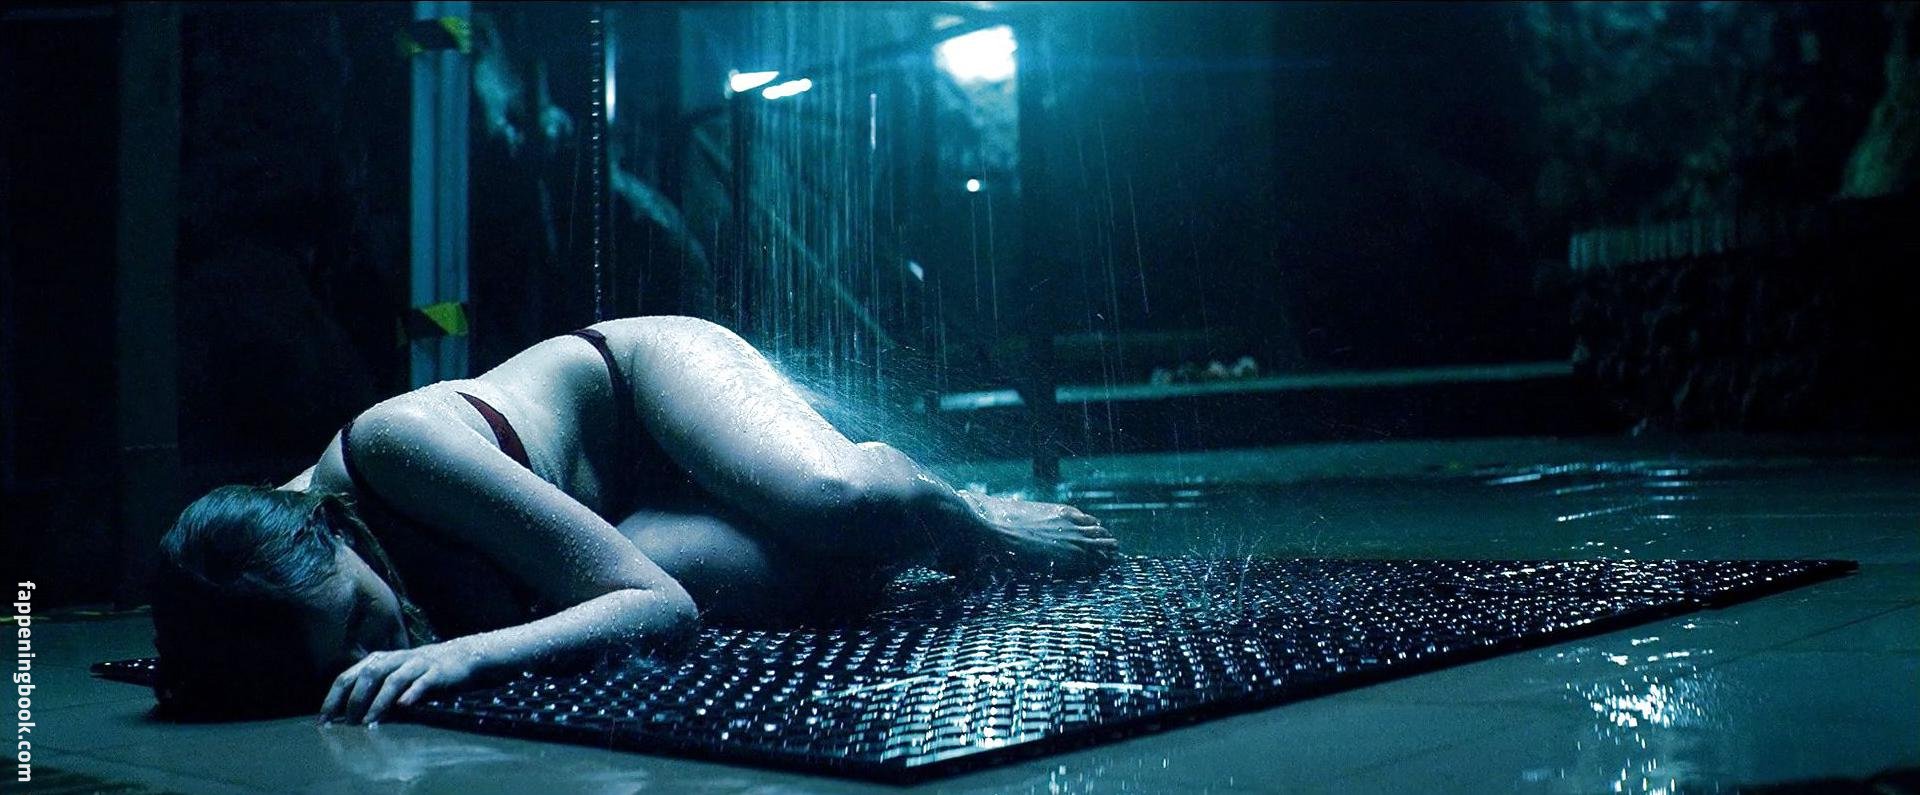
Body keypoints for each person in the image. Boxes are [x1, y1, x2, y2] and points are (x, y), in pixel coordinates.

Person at [151, 316, 1117, 724]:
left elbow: (655, 604)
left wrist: (467, 653)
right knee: (790, 584)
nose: (387, 647)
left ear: (330, 527)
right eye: (347, 657)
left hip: (648, 388)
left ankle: (969, 514)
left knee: (840, 504)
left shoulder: (393, 446)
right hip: (614, 514)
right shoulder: (255, 582)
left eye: (365, 615)